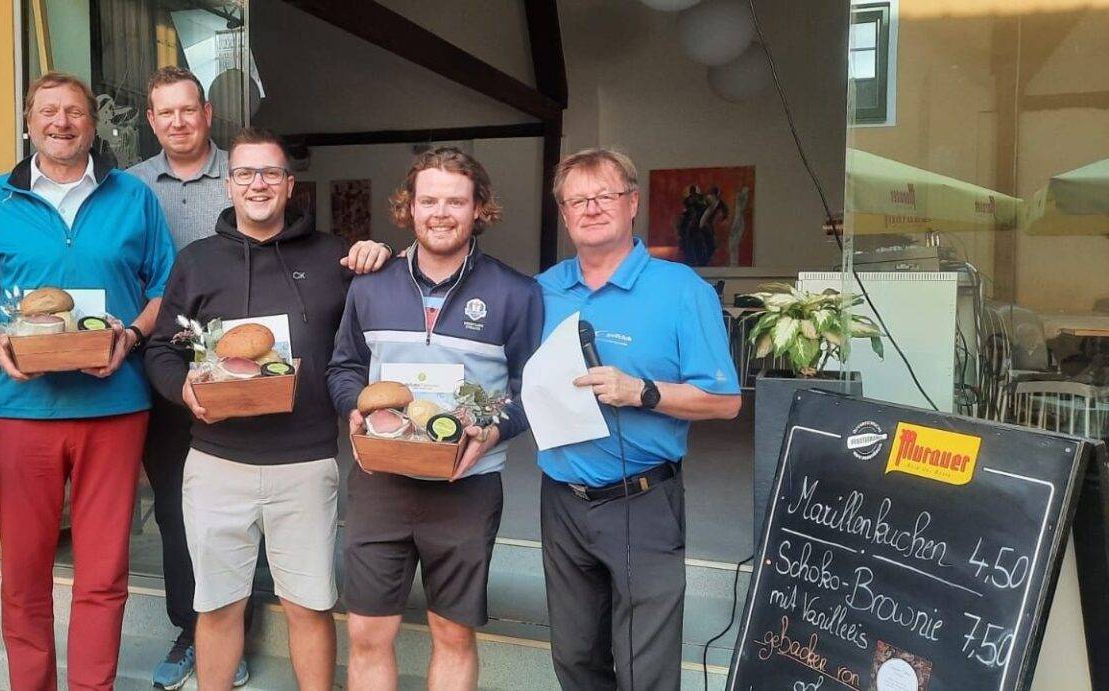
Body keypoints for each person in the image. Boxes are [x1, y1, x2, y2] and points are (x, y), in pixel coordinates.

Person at [125, 65, 392, 690]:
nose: (258, 184)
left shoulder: (333, 258)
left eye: (270, 173)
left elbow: (375, 336)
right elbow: (162, 350)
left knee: (309, 607)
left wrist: (381, 256)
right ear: (230, 182)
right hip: (217, 461)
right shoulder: (197, 262)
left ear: (289, 183)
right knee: (217, 607)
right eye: (245, 173)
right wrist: (184, 390)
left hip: (306, 463)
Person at [0, 71, 174, 690]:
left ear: (92, 123)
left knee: (103, 573)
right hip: (23, 406)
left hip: (116, 404)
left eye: (74, 111)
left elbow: (164, 287)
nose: (61, 122)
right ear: (29, 122)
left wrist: (131, 337)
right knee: (25, 571)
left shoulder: (132, 197)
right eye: (47, 111)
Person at [327, 146, 542, 691]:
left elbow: (532, 389)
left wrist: (495, 428)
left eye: (455, 201)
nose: (440, 213)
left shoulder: (516, 293)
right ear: (409, 207)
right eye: (428, 201)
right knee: (367, 633)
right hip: (380, 480)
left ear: (479, 208)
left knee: (452, 634)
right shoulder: (370, 285)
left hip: (467, 485)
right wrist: (354, 408)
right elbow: (345, 366)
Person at [535, 148, 741, 690]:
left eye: (605, 195)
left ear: (632, 203)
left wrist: (641, 392)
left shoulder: (682, 291)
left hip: (643, 501)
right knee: (575, 659)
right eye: (578, 199)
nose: (592, 208)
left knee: (644, 670)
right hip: (561, 499)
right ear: (564, 213)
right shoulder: (542, 290)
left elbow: (725, 401)